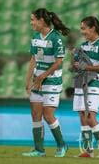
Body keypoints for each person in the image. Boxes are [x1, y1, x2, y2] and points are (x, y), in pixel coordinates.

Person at [22, 8, 69, 157]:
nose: (31, 23)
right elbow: (33, 59)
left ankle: (62, 145)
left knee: (48, 115)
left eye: (33, 19)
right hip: (38, 80)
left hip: (52, 80)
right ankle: (39, 149)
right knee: (35, 114)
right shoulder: (35, 37)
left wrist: (43, 76)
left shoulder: (56, 38)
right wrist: (27, 79)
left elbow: (59, 62)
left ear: (41, 21)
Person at [72, 16, 99, 158]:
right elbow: (75, 67)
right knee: (82, 116)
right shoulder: (83, 45)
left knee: (90, 117)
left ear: (92, 28)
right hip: (81, 82)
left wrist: (85, 66)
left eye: (83, 28)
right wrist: (74, 58)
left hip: (94, 83)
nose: (82, 32)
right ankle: (88, 151)